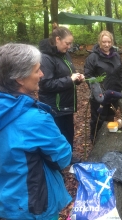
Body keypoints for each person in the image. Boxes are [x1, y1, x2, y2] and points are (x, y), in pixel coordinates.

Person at [0, 43, 72, 219]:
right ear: (19, 78)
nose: (42, 74)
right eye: (37, 70)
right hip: (32, 208)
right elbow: (62, 158)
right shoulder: (35, 119)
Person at [38, 23, 84, 164]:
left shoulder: (65, 54)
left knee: (68, 132)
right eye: (67, 43)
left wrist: (76, 79)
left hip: (66, 102)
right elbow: (45, 84)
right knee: (57, 134)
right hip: (54, 105)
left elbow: (67, 75)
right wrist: (69, 80)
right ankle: (56, 162)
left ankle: (67, 157)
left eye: (70, 44)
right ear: (57, 39)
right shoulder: (46, 58)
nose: (69, 47)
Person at [84, 30, 122, 142]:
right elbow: (88, 75)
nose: (106, 44)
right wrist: (98, 91)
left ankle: (107, 140)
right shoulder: (93, 57)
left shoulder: (116, 55)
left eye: (109, 42)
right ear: (99, 42)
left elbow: (121, 72)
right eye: (104, 42)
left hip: (114, 92)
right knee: (98, 119)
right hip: (100, 95)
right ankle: (95, 139)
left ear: (112, 42)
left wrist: (120, 85)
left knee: (110, 116)